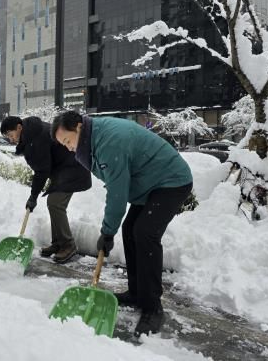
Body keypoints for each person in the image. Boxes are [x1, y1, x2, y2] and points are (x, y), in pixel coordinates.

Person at [51, 111, 193, 337]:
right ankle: (136, 293)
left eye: (68, 141)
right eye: (64, 144)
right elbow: (115, 182)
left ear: (78, 127)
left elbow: (117, 192)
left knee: (145, 233)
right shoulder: (93, 139)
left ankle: (153, 307)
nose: (68, 148)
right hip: (149, 183)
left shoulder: (109, 142)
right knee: (130, 230)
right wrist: (110, 231)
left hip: (171, 181)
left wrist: (107, 233)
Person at [0, 116, 92, 263]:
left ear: (19, 127)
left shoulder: (35, 138)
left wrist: (33, 197)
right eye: (8, 137)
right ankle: (58, 243)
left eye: (11, 135)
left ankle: (68, 245)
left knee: (55, 203)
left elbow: (42, 171)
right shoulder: (31, 134)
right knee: (53, 203)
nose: (11, 139)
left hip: (73, 168)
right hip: (64, 169)